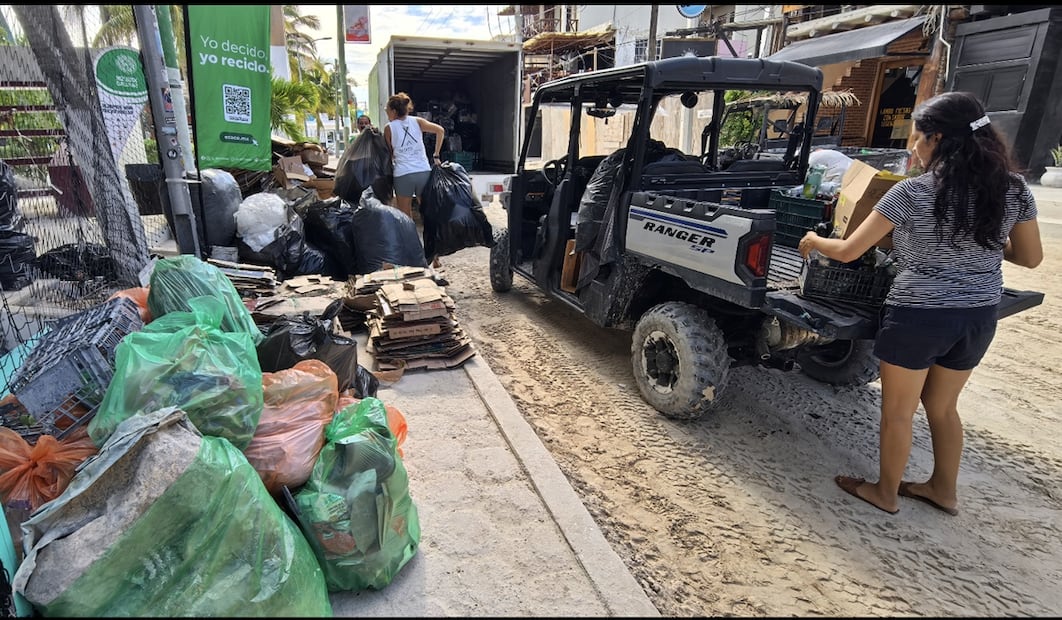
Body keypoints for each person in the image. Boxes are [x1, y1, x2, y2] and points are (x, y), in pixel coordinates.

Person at [797, 91, 1042, 516]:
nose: (913, 147)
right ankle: (942, 490)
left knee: (898, 413)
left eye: (917, 138)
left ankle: (885, 493)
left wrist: (814, 240)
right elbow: (1030, 257)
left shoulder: (912, 192)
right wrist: (979, 242)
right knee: (943, 407)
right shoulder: (1014, 189)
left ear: (938, 139)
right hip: (978, 316)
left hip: (919, 316)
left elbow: (849, 251)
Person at [384, 92, 446, 267]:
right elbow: (440, 130)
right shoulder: (418, 122)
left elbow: (389, 155)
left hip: (402, 174)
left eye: (387, 110)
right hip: (423, 173)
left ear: (394, 111)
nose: (387, 113)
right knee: (428, 216)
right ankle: (435, 257)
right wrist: (435, 155)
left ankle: (414, 257)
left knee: (406, 219)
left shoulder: (389, 128)